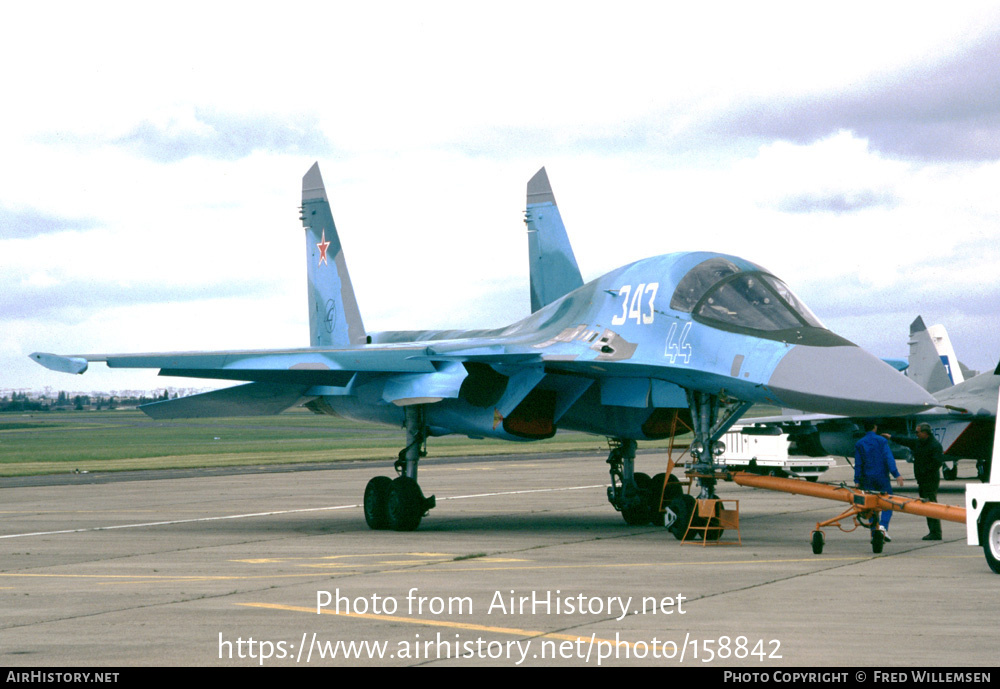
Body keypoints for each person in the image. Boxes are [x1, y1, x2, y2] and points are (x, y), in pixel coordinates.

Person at [886, 423, 944, 540]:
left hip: (930, 480)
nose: (916, 435)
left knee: (931, 504)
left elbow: (937, 463)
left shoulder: (935, 445)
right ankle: (933, 531)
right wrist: (891, 437)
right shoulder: (919, 443)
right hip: (922, 479)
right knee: (926, 505)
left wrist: (923, 470)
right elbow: (906, 441)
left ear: (925, 433)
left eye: (917, 432)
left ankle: (936, 532)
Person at [854, 421, 904, 541]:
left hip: (867, 479)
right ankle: (883, 527)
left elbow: (858, 463)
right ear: (875, 427)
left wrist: (857, 480)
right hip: (882, 478)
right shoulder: (882, 441)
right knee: (888, 503)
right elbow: (888, 458)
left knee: (870, 506)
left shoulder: (860, 443)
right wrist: (896, 474)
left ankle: (874, 532)